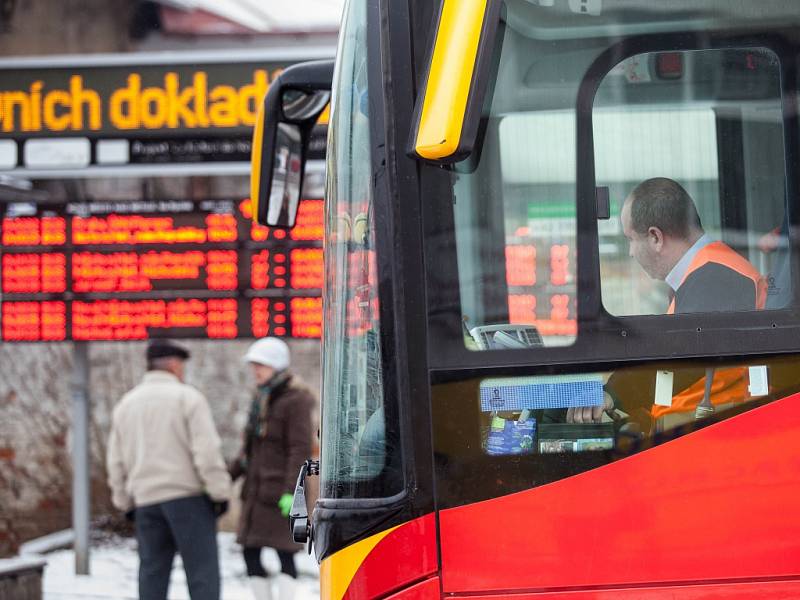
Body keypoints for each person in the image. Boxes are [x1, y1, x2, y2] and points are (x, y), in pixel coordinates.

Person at [569, 178, 766, 428]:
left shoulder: (716, 276)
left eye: (630, 239)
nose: (630, 252)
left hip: (719, 430)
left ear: (655, 237)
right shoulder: (702, 272)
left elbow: (681, 357)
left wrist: (614, 394)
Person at [106, 339, 232, 600]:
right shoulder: (188, 398)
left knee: (152, 574)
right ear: (174, 365)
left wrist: (124, 501)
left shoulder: (125, 405)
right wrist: (220, 493)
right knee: (202, 575)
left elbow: (115, 461)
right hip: (188, 501)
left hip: (146, 503)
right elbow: (206, 453)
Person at [230, 337, 314, 600]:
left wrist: (293, 492)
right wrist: (226, 477)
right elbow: (249, 449)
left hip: (281, 492)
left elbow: (299, 448)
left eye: (261, 365)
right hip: (256, 492)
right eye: (254, 365)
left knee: (285, 552)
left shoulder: (296, 399)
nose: (256, 370)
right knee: (250, 551)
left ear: (277, 366)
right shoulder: (261, 398)